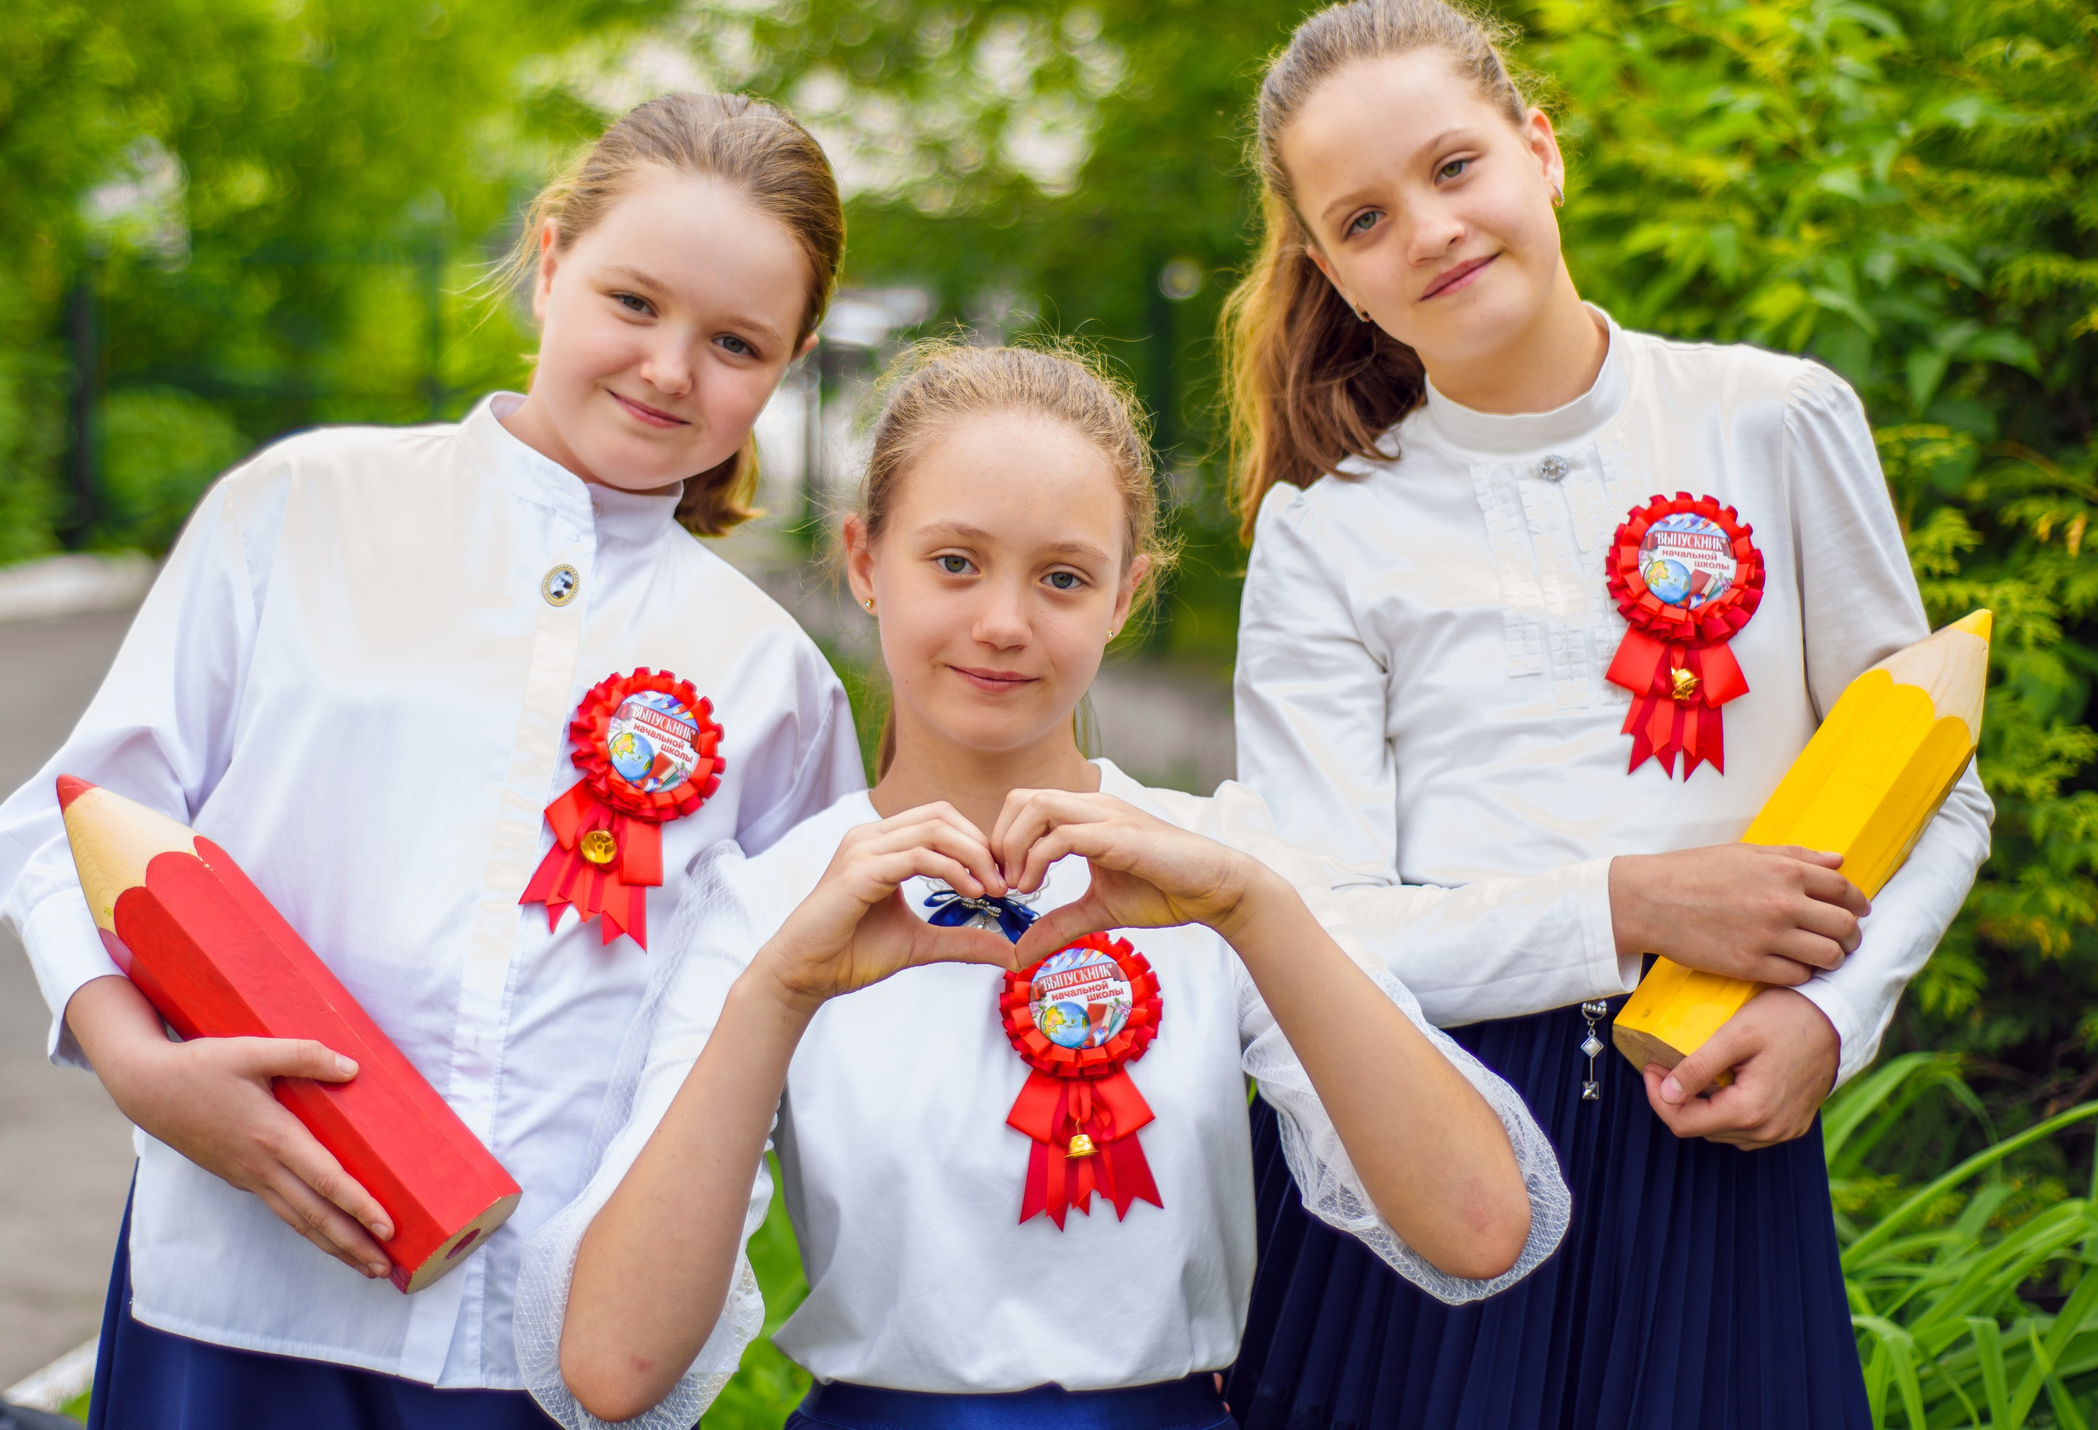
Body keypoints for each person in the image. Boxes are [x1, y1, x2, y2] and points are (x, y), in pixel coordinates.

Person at [0, 94, 869, 1429]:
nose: (672, 369)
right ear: (553, 256)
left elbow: (796, 1029)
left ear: (789, 363)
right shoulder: (302, 508)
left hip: (536, 1343)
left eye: (735, 342)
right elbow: (77, 821)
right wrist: (140, 1069)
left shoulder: (774, 681)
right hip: (235, 1295)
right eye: (634, 300)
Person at [515, 343, 1569, 1430]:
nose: (1006, 622)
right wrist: (778, 993)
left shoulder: (1215, 864)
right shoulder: (780, 899)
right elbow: (614, 1364)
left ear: (1126, 595)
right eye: (955, 562)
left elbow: (1479, 1225)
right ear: (865, 562)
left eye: (1062, 575)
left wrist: (1258, 913)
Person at [1216, 0, 1995, 1430]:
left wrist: (1831, 1011)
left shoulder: (1776, 419)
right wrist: (1631, 903)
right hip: (1427, 1156)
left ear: (1541, 148)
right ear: (1329, 264)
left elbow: (1933, 779)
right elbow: (1313, 928)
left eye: (1454, 168)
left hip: (1708, 1114)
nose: (1432, 230)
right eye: (1365, 219)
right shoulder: (1324, 533)